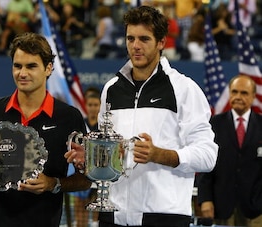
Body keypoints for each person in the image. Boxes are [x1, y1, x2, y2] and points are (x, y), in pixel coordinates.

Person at [65, 5, 218, 227]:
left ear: (161, 42)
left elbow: (207, 155)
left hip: (164, 216)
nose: (135, 46)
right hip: (112, 215)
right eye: (130, 38)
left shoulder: (184, 88)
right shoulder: (111, 89)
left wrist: (160, 154)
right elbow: (113, 157)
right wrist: (90, 158)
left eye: (144, 39)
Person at [0, 32, 91, 227]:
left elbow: (86, 179)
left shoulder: (69, 117)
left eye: (31, 66)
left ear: (48, 69)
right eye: (17, 66)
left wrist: (53, 184)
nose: (22, 73)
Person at [197, 75, 262, 227]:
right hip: (221, 207)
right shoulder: (213, 124)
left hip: (256, 210)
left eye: (244, 93)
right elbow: (205, 166)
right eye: (234, 92)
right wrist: (205, 199)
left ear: (253, 96)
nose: (238, 97)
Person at [69, 88, 101, 227]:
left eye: (96, 105)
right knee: (80, 211)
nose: (93, 108)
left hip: (100, 175)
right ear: (85, 106)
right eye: (90, 105)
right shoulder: (80, 126)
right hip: (83, 174)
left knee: (98, 212)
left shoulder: (104, 127)